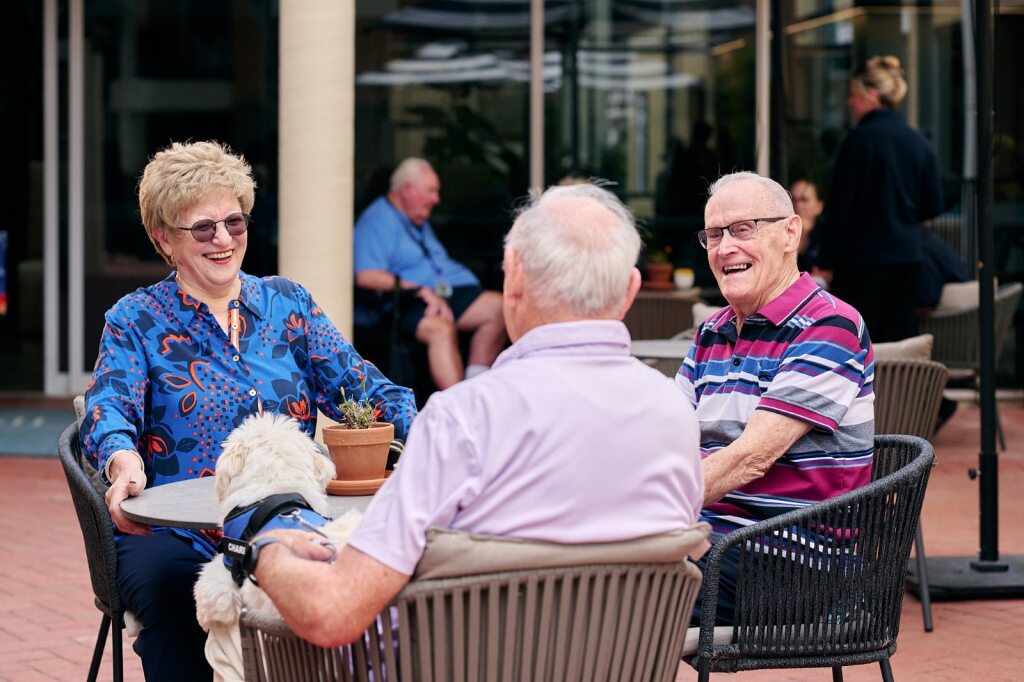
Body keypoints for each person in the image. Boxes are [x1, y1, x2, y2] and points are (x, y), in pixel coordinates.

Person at [249, 182, 706, 647]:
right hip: (624, 664)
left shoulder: (462, 419)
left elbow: (332, 614)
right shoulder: (675, 411)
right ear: (631, 289)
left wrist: (262, 549)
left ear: (515, 279)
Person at [79, 140, 417, 681]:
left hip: (289, 523)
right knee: (172, 594)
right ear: (163, 238)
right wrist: (122, 461)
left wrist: (418, 439)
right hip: (177, 533)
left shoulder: (289, 305)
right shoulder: (135, 318)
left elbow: (369, 392)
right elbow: (109, 406)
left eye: (233, 223)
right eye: (203, 228)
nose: (223, 240)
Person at [677, 171, 874, 625]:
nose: (725, 247)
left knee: (606, 595)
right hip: (712, 544)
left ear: (791, 232)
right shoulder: (711, 332)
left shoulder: (830, 326)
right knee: (580, 577)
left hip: (795, 565)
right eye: (713, 234)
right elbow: (663, 440)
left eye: (743, 229)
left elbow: (752, 457)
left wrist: (639, 507)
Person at [816, 55, 944, 342]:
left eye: (853, 95)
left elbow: (840, 208)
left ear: (871, 94)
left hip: (860, 262)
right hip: (907, 260)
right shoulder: (918, 142)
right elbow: (933, 203)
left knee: (856, 345)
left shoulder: (857, 141)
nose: (850, 103)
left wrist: (825, 260)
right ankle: (901, 391)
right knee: (899, 345)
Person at [354, 158, 507, 389]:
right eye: (431, 191)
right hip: (408, 304)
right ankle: (457, 410)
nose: (436, 199)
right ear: (406, 190)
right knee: (440, 328)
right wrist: (418, 290)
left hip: (446, 293)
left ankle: (475, 388)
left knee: (498, 308)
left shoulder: (415, 218)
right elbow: (366, 275)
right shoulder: (377, 220)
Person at [789, 178, 825, 274]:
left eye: (804, 200)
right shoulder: (780, 234)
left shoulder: (828, 237)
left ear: (819, 207)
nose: (798, 205)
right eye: (793, 200)